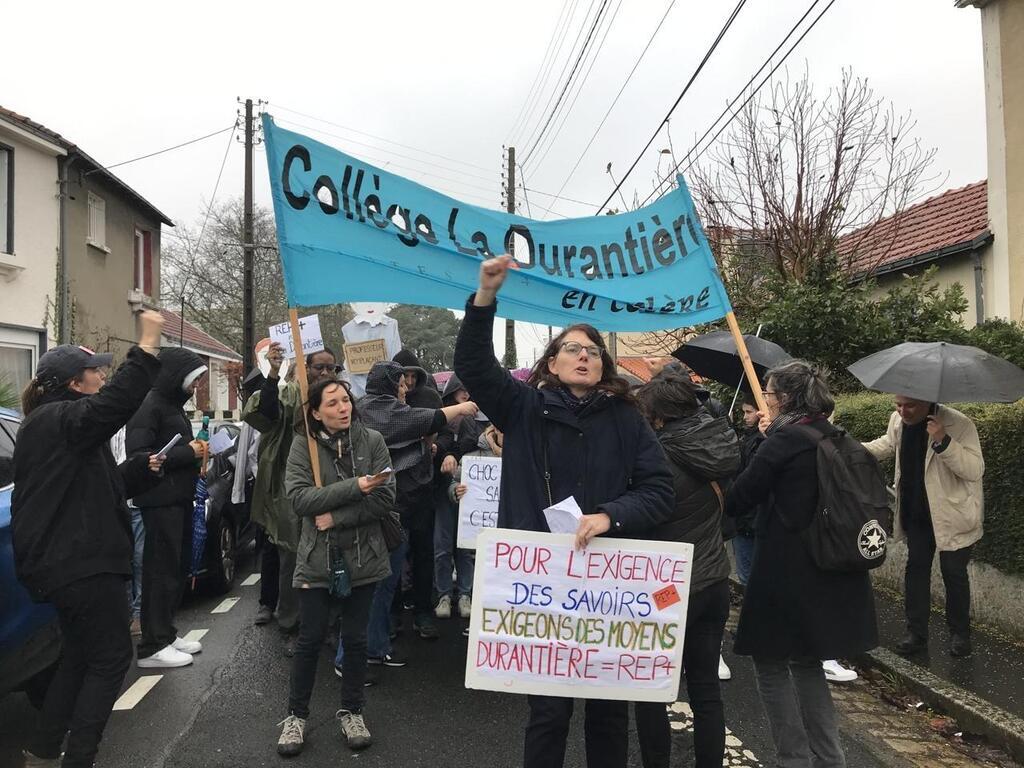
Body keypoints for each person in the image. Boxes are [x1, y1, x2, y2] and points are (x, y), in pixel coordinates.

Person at [454, 255, 674, 768]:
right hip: (543, 590)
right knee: (548, 715)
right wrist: (485, 296)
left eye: (593, 352)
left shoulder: (627, 417)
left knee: (608, 716)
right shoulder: (522, 407)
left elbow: (659, 490)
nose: (584, 357)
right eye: (572, 349)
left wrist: (610, 516)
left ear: (603, 367)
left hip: (606, 592)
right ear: (551, 363)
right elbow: (474, 367)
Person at [13, 311, 166, 768]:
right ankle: (78, 758)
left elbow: (98, 491)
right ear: (74, 385)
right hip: (81, 563)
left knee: (80, 656)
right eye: (95, 370)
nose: (102, 375)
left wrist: (140, 469)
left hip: (69, 562)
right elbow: (117, 403)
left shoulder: (59, 429)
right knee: (111, 658)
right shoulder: (60, 420)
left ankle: (41, 751)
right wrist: (147, 346)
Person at [726, 360, 877, 768]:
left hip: (785, 572)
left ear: (786, 398)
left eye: (770, 395)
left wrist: (756, 443)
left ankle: (792, 760)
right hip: (831, 569)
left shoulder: (782, 441)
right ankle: (830, 759)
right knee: (807, 663)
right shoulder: (839, 436)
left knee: (769, 662)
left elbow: (741, 497)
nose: (767, 403)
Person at [276, 378, 395, 756]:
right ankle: (296, 717)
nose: (343, 408)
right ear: (315, 411)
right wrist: (356, 487)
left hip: (365, 558)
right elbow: (299, 499)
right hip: (316, 560)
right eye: (333, 403)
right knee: (310, 640)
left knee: (356, 640)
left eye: (346, 400)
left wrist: (337, 516)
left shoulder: (372, 441)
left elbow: (385, 500)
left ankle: (353, 711)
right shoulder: (302, 445)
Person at [633, 371, 740, 768]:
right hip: (713, 580)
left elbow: (642, 516)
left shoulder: (656, 457)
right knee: (705, 688)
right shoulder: (724, 443)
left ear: (658, 415)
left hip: (666, 591)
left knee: (650, 689)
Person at [359, 360, 477, 642]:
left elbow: (430, 426)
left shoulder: (408, 403)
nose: (405, 388)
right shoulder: (371, 408)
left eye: (408, 380)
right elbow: (424, 420)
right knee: (389, 567)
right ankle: (381, 632)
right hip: (387, 501)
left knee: (419, 556)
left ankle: (409, 616)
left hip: (418, 497)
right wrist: (460, 409)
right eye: (400, 382)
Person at [863, 396, 984, 658]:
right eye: (898, 405)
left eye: (910, 406)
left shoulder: (958, 424)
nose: (902, 411)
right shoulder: (898, 420)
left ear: (928, 402)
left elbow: (975, 470)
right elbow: (888, 444)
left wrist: (943, 440)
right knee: (915, 570)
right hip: (916, 512)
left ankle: (960, 636)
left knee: (954, 573)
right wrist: (850, 448)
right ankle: (916, 634)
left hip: (951, 514)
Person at [243, 343, 340, 655]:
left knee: (331, 561)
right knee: (293, 561)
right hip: (293, 497)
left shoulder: (340, 402)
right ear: (303, 368)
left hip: (331, 493)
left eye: (330, 368)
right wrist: (273, 374)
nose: (324, 373)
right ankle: (292, 626)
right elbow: (262, 412)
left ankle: (327, 626)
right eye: (317, 368)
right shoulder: (289, 398)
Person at [126, 347, 208, 668]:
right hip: (159, 500)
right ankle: (151, 645)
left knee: (173, 568)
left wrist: (197, 455)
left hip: (176, 498)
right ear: (177, 376)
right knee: (158, 572)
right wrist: (190, 452)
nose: (197, 387)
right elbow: (141, 457)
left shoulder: (172, 406)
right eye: (195, 380)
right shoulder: (149, 407)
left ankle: (166, 632)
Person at [433, 374, 481, 620]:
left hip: (470, 488)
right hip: (441, 489)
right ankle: (443, 595)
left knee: (465, 547)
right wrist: (444, 457)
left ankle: (464, 594)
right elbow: (435, 445)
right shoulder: (440, 416)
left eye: (468, 388)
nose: (465, 392)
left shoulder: (477, 418)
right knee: (442, 546)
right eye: (460, 388)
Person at [732, 395, 761, 586]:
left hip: (749, 518)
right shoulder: (747, 436)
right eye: (743, 412)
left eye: (749, 412)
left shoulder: (760, 441)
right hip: (746, 519)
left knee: (748, 575)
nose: (745, 417)